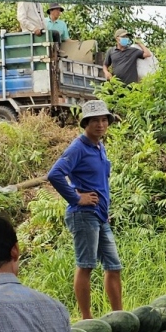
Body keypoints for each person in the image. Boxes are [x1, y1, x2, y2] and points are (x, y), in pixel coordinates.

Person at [48, 100, 123, 319]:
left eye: (103, 120)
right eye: (95, 121)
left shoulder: (100, 146)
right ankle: (87, 319)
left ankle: (119, 315)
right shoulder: (78, 147)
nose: (100, 124)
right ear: (85, 123)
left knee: (114, 266)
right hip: (83, 215)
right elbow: (55, 174)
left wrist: (105, 208)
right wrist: (76, 197)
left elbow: (100, 182)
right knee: (86, 265)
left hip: (99, 215)